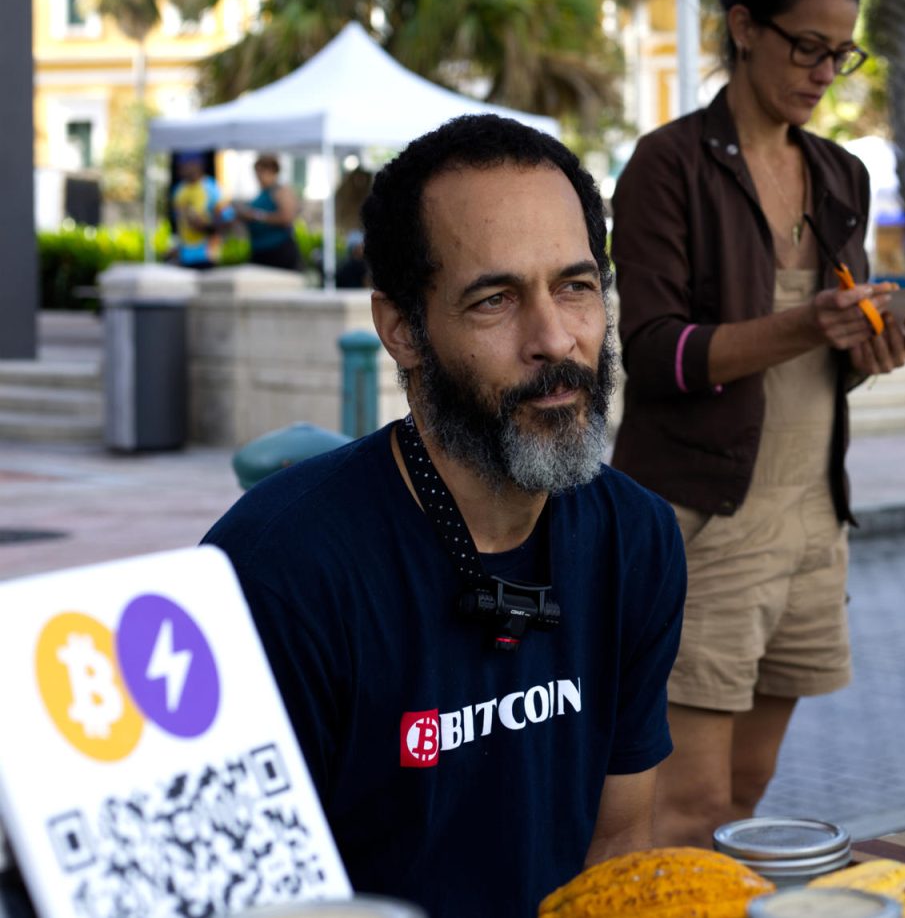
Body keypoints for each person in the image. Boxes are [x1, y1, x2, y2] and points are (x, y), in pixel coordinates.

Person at [202, 115, 686, 918]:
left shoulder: (635, 539)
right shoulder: (275, 574)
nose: (556, 339)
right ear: (401, 330)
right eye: (495, 300)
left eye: (575, 286)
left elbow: (618, 846)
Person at [609, 0, 905, 847]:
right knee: (684, 805)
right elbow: (655, 353)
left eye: (842, 53)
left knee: (745, 795)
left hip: (811, 518)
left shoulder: (838, 173)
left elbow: (823, 352)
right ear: (745, 27)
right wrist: (804, 325)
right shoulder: (668, 166)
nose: (826, 71)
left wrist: (872, 345)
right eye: (808, 46)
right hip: (704, 518)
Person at [235, 153, 302, 271]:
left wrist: (256, 216)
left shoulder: (280, 191)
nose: (258, 176)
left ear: (272, 171)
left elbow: (287, 218)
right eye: (257, 172)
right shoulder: (262, 193)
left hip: (278, 251)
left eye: (262, 172)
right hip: (260, 251)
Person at [169, 155, 230, 269]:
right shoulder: (179, 190)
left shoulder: (211, 187)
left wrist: (205, 227)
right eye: (181, 165)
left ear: (197, 165)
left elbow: (226, 219)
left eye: (187, 164)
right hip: (184, 256)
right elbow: (178, 223)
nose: (183, 168)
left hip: (207, 255)